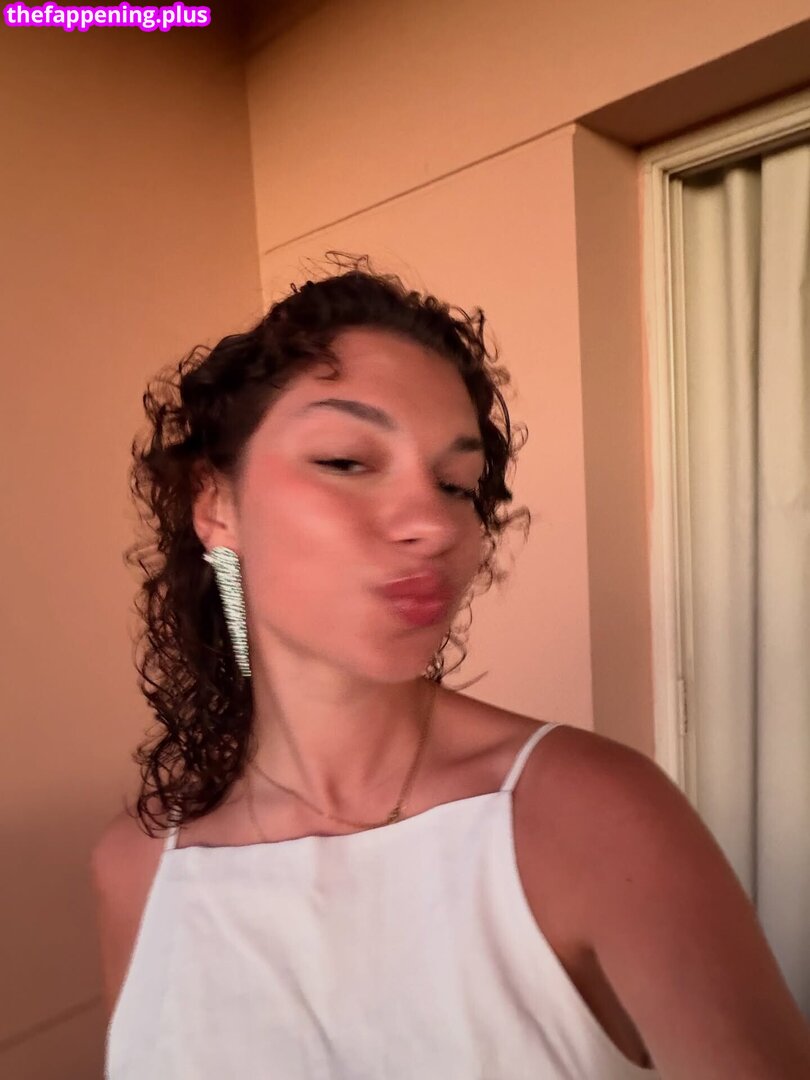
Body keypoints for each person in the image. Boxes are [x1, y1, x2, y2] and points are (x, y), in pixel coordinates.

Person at [92, 254, 810, 1079]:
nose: (433, 524)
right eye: (347, 461)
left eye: (457, 485)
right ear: (216, 504)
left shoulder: (591, 816)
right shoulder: (138, 869)